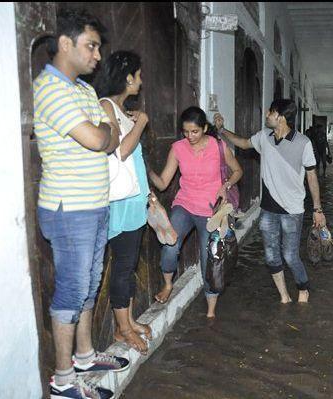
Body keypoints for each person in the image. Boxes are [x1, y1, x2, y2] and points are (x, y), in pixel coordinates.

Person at [34, 8, 127, 399]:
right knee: (72, 292)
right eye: (91, 46)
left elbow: (113, 135)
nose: (98, 56)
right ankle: (62, 382)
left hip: (93, 205)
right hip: (68, 209)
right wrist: (104, 131)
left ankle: (85, 356)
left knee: (89, 286)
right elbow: (97, 138)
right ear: (66, 44)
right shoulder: (50, 88)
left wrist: (104, 131)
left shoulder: (84, 90)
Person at [215, 99, 326, 304]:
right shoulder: (264, 137)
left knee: (290, 255)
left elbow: (311, 176)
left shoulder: (303, 143)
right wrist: (222, 130)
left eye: (270, 112)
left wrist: (317, 209)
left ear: (281, 117)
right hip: (268, 209)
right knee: (271, 256)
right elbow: (243, 142)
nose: (266, 114)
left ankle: (303, 287)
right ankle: (284, 296)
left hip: (292, 210)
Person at [149, 107, 243, 318]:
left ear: (205, 128)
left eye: (195, 132)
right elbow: (163, 182)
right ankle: (167, 284)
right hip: (185, 204)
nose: (189, 136)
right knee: (169, 243)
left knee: (210, 258)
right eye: (185, 132)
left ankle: (210, 309)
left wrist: (226, 185)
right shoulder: (178, 148)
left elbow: (238, 171)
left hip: (212, 211)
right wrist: (145, 169)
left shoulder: (218, 147)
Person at [94, 50, 152, 355]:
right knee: (122, 267)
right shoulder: (105, 106)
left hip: (134, 198)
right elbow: (121, 152)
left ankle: (128, 320)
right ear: (127, 77)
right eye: (138, 76)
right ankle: (123, 329)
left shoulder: (119, 109)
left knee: (128, 267)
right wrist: (140, 124)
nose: (140, 83)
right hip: (119, 201)